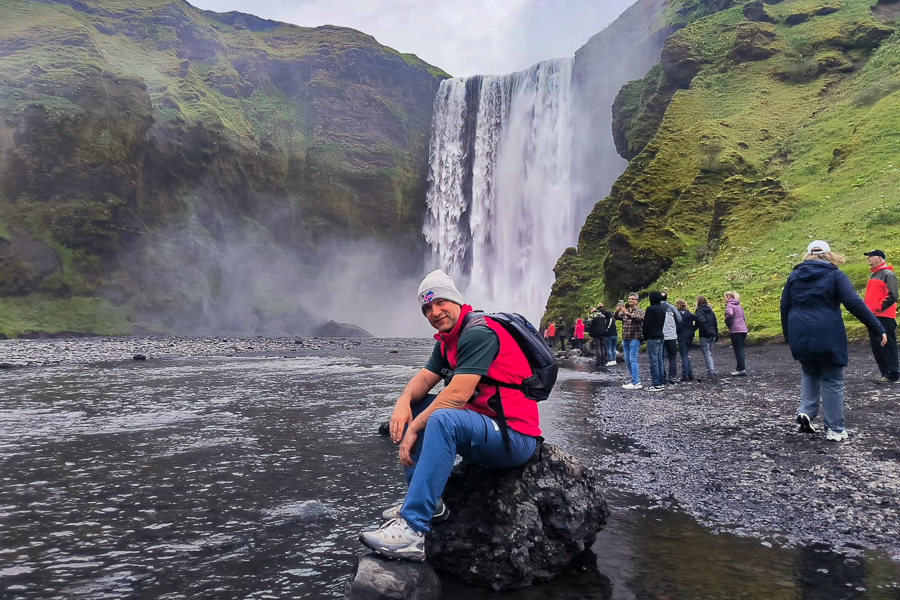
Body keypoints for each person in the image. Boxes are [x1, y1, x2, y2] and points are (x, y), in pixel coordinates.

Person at [359, 269, 541, 561]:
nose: (435, 311)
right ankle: (429, 505)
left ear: (455, 299)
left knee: (440, 417)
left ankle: (412, 530)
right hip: (486, 424)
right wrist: (403, 401)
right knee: (418, 408)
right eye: (427, 308)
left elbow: (456, 395)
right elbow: (424, 379)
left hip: (515, 438)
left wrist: (415, 428)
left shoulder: (479, 333)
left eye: (440, 302)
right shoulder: (448, 339)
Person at [781, 241, 886, 441]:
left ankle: (806, 412)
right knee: (832, 379)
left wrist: (790, 337)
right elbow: (854, 303)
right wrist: (877, 327)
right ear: (829, 254)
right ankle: (835, 429)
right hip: (827, 333)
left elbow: (784, 307)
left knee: (810, 372)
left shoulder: (794, 276)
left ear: (808, 254)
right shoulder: (834, 275)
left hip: (800, 334)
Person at [863, 249, 899, 384]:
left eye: (870, 257)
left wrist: (878, 307)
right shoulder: (874, 275)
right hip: (873, 316)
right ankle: (885, 373)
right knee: (877, 346)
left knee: (887, 344)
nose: (868, 259)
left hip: (884, 316)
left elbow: (892, 295)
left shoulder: (887, 274)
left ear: (879, 258)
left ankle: (892, 374)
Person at [615, 294, 644, 389]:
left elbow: (638, 319)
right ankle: (634, 379)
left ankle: (636, 382)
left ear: (637, 301)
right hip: (625, 338)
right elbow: (616, 317)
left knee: (633, 359)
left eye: (632, 299)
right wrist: (617, 310)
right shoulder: (624, 311)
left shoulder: (640, 311)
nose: (630, 300)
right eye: (629, 299)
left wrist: (626, 313)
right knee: (627, 361)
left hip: (635, 338)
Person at [642, 291, 667, 391]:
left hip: (652, 337)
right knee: (660, 360)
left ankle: (655, 383)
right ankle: (661, 381)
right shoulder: (662, 309)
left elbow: (646, 324)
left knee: (653, 361)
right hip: (661, 335)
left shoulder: (650, 309)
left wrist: (644, 335)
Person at [660, 291, 683, 384]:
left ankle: (662, 376)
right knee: (672, 357)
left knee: (660, 357)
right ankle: (672, 376)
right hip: (671, 335)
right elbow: (680, 320)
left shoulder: (655, 308)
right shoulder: (671, 308)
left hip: (659, 335)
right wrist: (676, 329)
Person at [724, 291, 748, 376]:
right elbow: (743, 317)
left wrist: (727, 321)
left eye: (725, 297)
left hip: (735, 330)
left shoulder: (729, 305)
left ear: (728, 297)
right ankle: (740, 367)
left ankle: (741, 369)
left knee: (737, 350)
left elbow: (730, 314)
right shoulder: (738, 306)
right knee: (740, 349)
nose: (724, 299)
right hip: (743, 329)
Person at [694, 295, 718, 380]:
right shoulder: (711, 311)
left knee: (706, 353)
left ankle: (710, 372)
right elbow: (715, 323)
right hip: (713, 334)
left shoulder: (699, 311)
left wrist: (692, 329)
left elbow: (701, 322)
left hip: (705, 334)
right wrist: (716, 334)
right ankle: (712, 370)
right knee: (710, 353)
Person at [675, 299, 696, 382]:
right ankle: (690, 373)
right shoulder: (690, 314)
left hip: (681, 336)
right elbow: (698, 320)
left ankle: (685, 374)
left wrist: (677, 331)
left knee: (683, 355)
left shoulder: (677, 315)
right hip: (689, 335)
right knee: (686, 354)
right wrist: (693, 328)